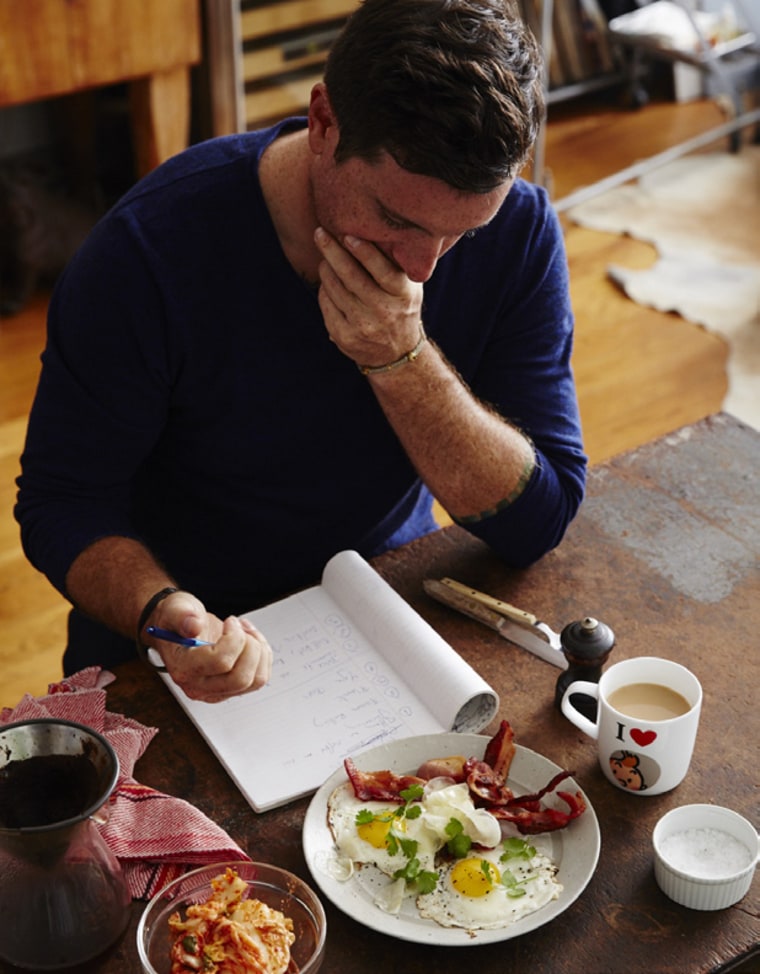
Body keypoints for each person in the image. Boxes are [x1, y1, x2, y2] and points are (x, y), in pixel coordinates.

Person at [15, 0, 586, 704]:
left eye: (462, 233)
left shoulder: (522, 233)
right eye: (396, 219)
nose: (423, 267)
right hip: (177, 640)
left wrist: (402, 362)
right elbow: (62, 501)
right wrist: (163, 614)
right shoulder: (145, 254)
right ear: (323, 123)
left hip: (379, 601)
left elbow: (539, 521)